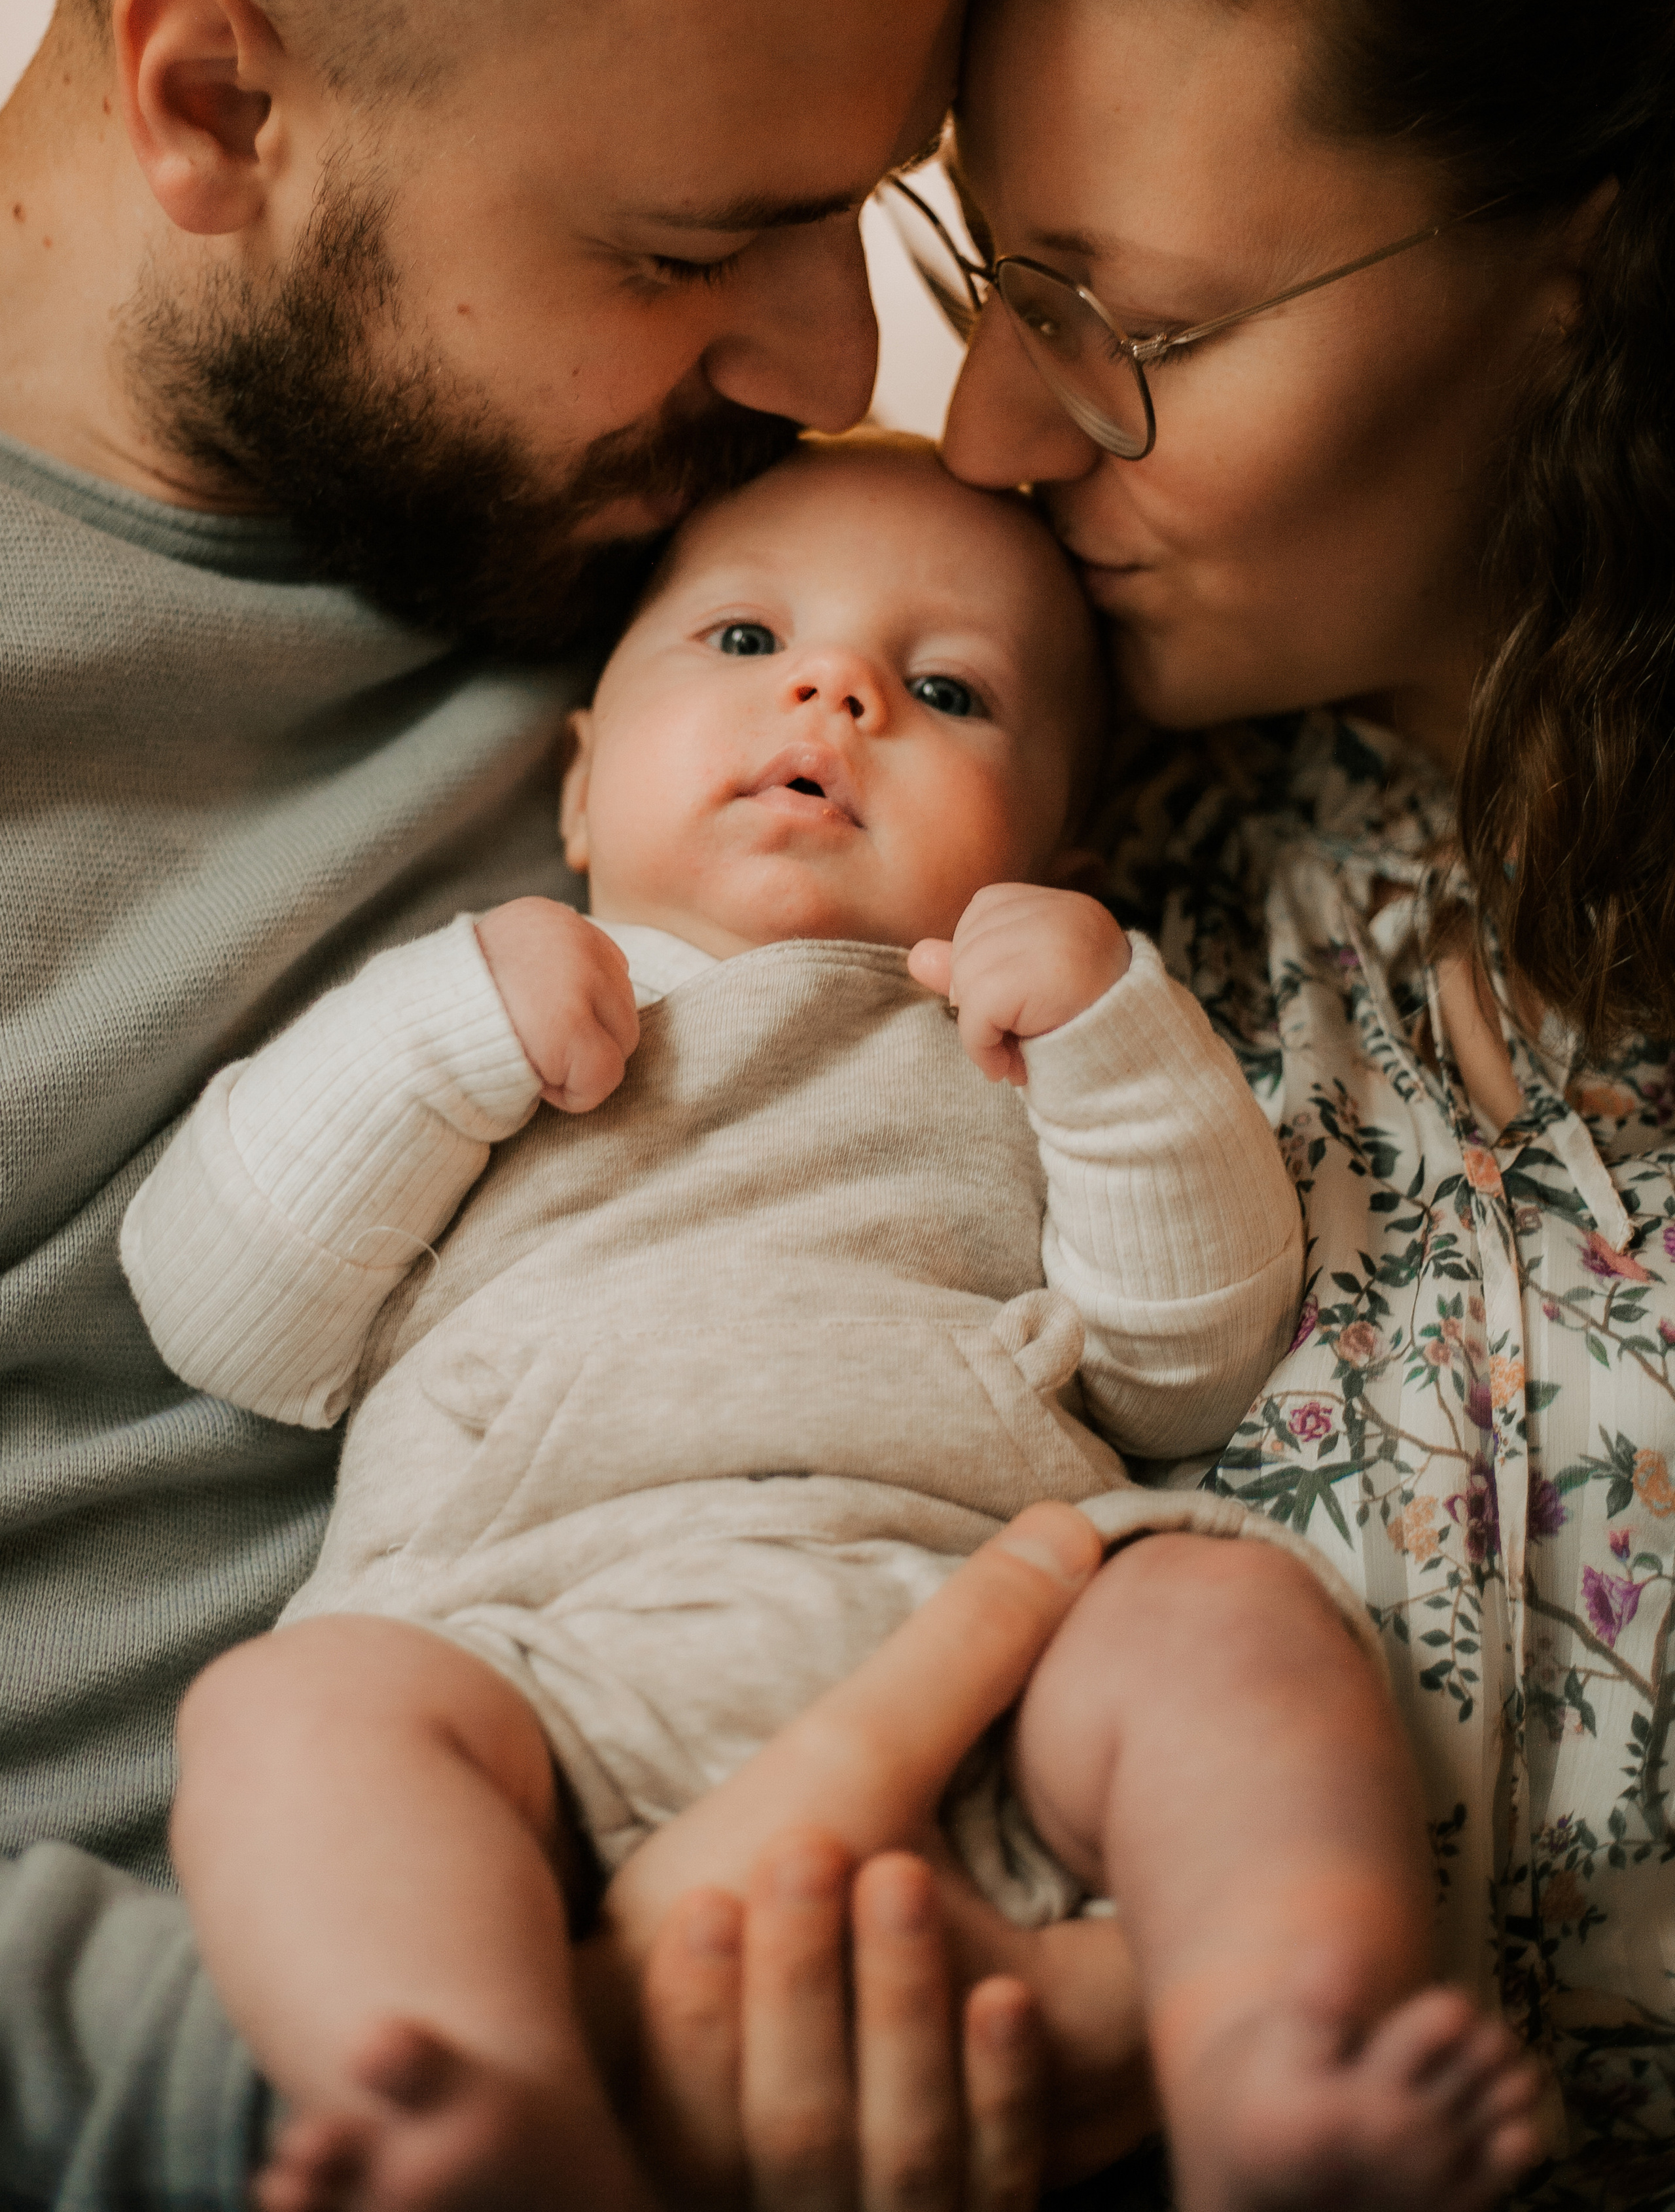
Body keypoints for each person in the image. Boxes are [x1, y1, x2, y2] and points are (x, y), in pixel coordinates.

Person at [1, 0, 1080, 2203]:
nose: (839, 372)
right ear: (217, 106)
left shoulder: (738, 568)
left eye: (872, 209)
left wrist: (1123, 1991)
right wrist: (524, 2075)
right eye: (692, 244)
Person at [122, 435, 1538, 2212]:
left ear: (1049, 843)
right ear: (578, 790)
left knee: (1223, 1617)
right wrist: (437, 1035)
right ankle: (486, 2097)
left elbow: (1185, 1370)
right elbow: (225, 1315)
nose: (834, 689)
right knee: (289, 1713)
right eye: (740, 641)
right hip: (527, 1651)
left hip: (988, 1646)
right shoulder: (487, 1016)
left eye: (946, 690)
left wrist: (1111, 1038)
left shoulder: (1012, 1033)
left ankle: (1273, 2046)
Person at [833, 0, 1671, 2200]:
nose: (992, 431)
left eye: (1139, 329)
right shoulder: (1007, 862)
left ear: (1581, 282)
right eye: (993, 275)